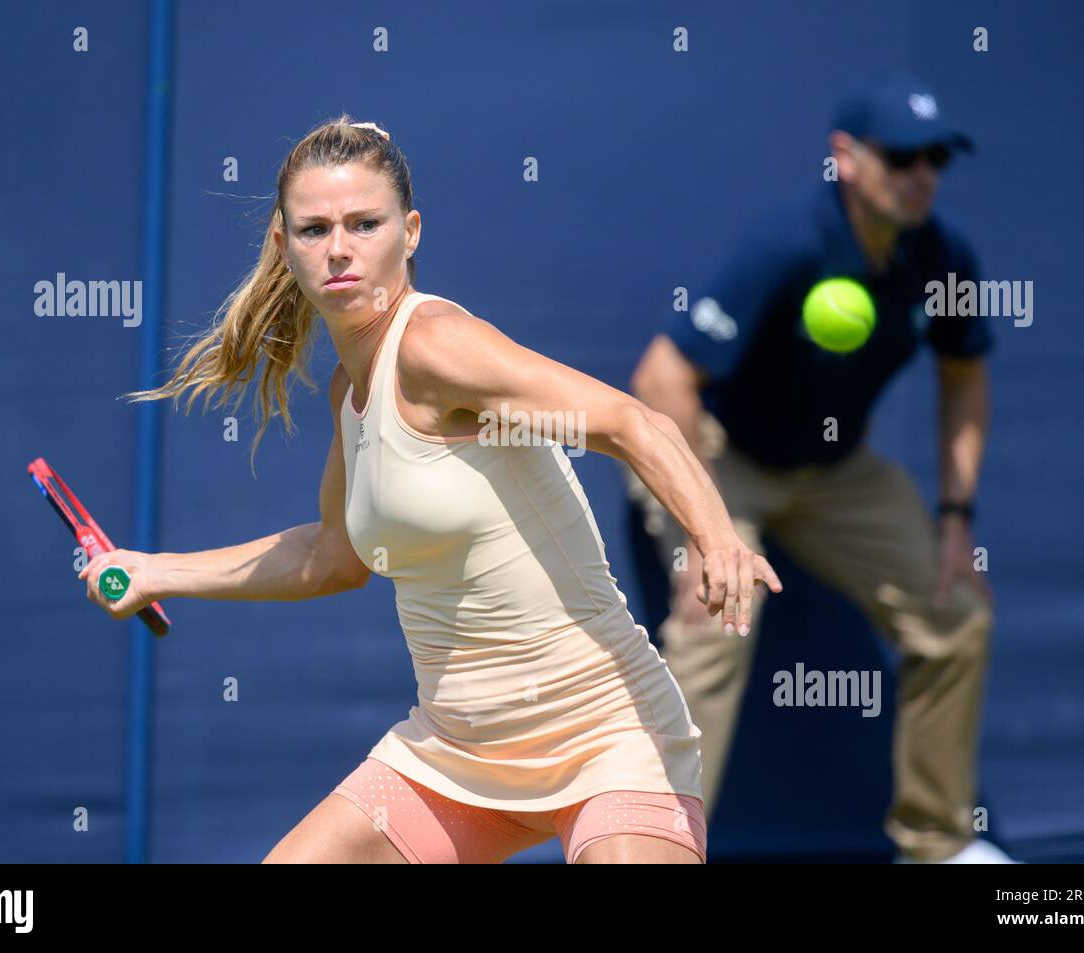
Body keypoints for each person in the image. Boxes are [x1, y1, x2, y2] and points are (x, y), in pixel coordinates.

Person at [76, 114, 782, 864]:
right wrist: (154, 572)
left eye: (364, 223)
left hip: (606, 734)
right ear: (283, 248)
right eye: (314, 230)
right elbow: (332, 558)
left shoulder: (436, 346)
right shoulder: (351, 388)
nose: (340, 248)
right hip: (454, 754)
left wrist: (717, 539)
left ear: (409, 231)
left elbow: (631, 422)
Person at [626, 76, 1015, 863]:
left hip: (834, 471)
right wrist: (704, 528)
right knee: (716, 625)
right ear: (846, 159)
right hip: (718, 452)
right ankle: (651, 848)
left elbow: (965, 375)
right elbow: (661, 379)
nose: (922, 175)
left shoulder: (942, 256)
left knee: (955, 615)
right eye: (902, 157)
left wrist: (955, 518)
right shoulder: (790, 242)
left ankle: (937, 845)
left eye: (936, 157)